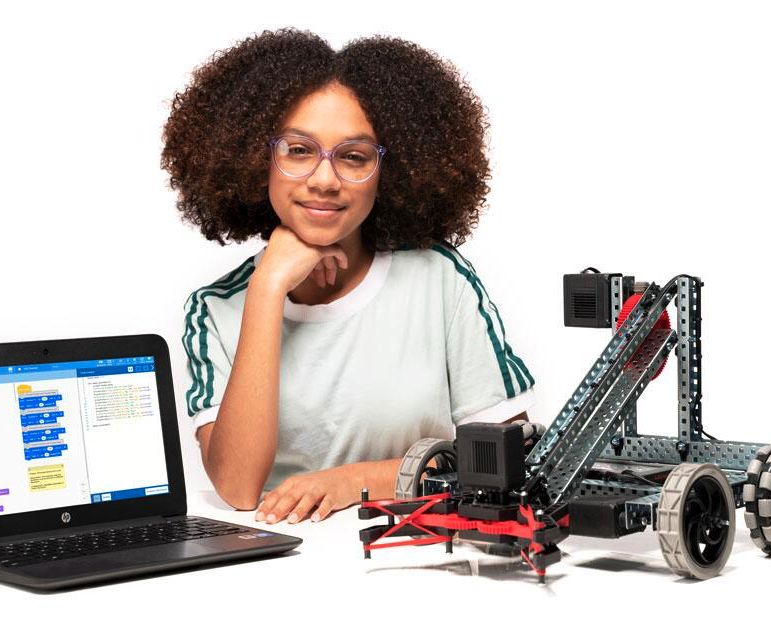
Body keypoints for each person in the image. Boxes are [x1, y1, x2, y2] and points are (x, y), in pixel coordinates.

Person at [161, 28, 536, 525]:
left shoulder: (439, 279)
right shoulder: (214, 309)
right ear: (257, 159)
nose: (323, 179)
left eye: (353, 156)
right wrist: (269, 288)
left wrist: (350, 483)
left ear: (389, 172)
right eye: (298, 150)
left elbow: (512, 460)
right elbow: (237, 487)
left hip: (423, 564)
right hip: (274, 569)